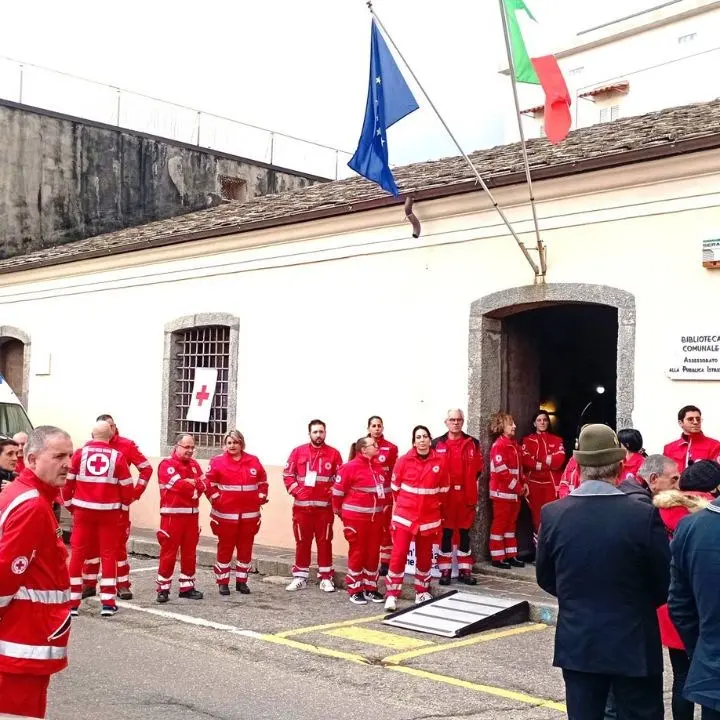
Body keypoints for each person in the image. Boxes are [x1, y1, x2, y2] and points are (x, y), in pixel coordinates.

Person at [536, 424, 670, 720]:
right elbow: (664, 581)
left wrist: (579, 596)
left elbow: (545, 577)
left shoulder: (553, 514)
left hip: (579, 642)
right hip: (634, 641)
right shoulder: (643, 514)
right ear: (621, 466)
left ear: (580, 465)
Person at [0, 426, 74, 720]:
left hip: (24, 635)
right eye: (57, 456)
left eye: (69, 455)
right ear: (31, 460)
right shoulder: (32, 505)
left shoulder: (26, 495)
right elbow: (6, 574)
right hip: (23, 638)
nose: (67, 463)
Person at [654, 461, 719, 720]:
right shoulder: (698, 518)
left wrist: (699, 647)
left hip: (684, 617)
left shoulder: (671, 516)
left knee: (682, 676)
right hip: (695, 614)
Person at [63, 421, 134, 617]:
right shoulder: (117, 456)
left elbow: (67, 483)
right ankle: (108, 603)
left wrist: (70, 506)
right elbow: (127, 487)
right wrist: (123, 508)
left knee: (77, 554)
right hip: (109, 513)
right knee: (109, 554)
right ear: (110, 435)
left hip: (83, 511)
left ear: (92, 434)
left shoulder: (79, 454)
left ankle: (72, 602)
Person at [82, 413, 153, 601]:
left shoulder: (126, 445)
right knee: (91, 546)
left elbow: (146, 468)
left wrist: (135, 493)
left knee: (118, 547)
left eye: (112, 426)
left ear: (115, 427)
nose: (110, 430)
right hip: (93, 506)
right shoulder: (90, 447)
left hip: (117, 507)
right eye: (106, 427)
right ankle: (89, 584)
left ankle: (122, 585)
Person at [384, 425, 449, 612]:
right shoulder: (403, 461)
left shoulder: (440, 462)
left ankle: (421, 591)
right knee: (398, 555)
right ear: (414, 441)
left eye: (425, 436)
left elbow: (444, 490)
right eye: (418, 437)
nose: (422, 440)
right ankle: (392, 595)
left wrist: (432, 507)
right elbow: (395, 489)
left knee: (424, 556)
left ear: (430, 440)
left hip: (429, 518)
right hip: (405, 517)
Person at [205, 430, 267, 596]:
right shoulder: (217, 461)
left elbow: (262, 482)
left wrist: (261, 495)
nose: (232, 446)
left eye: (236, 442)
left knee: (245, 548)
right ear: (225, 444)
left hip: (249, 515)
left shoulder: (253, 460)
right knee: (225, 548)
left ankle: (242, 581)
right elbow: (208, 483)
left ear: (241, 444)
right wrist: (216, 498)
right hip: (225, 515)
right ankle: (223, 582)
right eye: (229, 442)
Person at [283, 419, 343, 593]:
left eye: (321, 432)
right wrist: (297, 491)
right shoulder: (298, 452)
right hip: (302, 509)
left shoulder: (334, 454)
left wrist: (330, 493)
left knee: (325, 542)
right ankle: (300, 577)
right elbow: (288, 475)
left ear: (325, 433)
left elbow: (340, 480)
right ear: (309, 433)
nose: (318, 435)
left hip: (324, 509)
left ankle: (326, 577)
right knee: (302, 542)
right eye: (315, 432)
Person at [333, 436, 387, 605]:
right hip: (356, 519)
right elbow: (337, 494)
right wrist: (342, 515)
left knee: (372, 554)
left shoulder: (378, 468)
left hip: (375, 519)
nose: (377, 447)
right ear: (364, 449)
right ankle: (355, 589)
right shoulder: (349, 468)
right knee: (358, 553)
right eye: (374, 445)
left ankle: (370, 588)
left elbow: (384, 492)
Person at [433, 409, 483, 585]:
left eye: (459, 420)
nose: (456, 423)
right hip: (445, 497)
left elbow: (478, 470)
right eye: (452, 419)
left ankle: (465, 570)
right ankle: (445, 570)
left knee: (464, 534)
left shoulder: (473, 443)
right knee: (445, 534)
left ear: (463, 422)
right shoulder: (436, 444)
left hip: (465, 496)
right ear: (446, 422)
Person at [155, 434, 206, 603]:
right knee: (168, 553)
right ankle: (163, 589)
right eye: (187, 447)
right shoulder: (166, 465)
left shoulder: (194, 465)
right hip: (172, 517)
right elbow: (179, 486)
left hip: (192, 517)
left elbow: (203, 484)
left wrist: (193, 484)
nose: (190, 451)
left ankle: (187, 587)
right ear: (177, 446)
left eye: (192, 447)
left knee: (190, 553)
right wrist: (192, 485)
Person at [347, 416, 398, 576]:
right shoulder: (362, 445)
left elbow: (394, 471)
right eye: (373, 426)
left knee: (384, 528)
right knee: (366, 533)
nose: (377, 428)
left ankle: (385, 561)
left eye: (379, 425)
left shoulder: (391, 448)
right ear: (368, 428)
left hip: (385, 495)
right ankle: (363, 563)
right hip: (365, 500)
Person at [488, 412, 527, 569]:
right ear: (502, 427)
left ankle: (511, 555)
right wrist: (519, 488)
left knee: (511, 526)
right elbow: (502, 472)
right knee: (500, 525)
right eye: (511, 424)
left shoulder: (514, 445)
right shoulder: (499, 446)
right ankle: (497, 557)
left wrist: (524, 484)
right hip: (502, 494)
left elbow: (519, 469)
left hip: (514, 495)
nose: (515, 427)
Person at [521, 410, 565, 544]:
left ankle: (551, 549)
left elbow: (560, 460)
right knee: (536, 518)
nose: (542, 422)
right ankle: (538, 552)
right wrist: (546, 463)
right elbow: (525, 460)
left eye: (545, 420)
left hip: (551, 485)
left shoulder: (557, 439)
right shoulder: (527, 440)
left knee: (552, 516)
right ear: (534, 423)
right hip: (534, 485)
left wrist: (538, 461)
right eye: (539, 420)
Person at [663, 405, 720, 473]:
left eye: (698, 419)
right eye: (690, 419)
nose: (695, 422)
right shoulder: (669, 448)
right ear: (680, 423)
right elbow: (665, 475)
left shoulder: (715, 445)